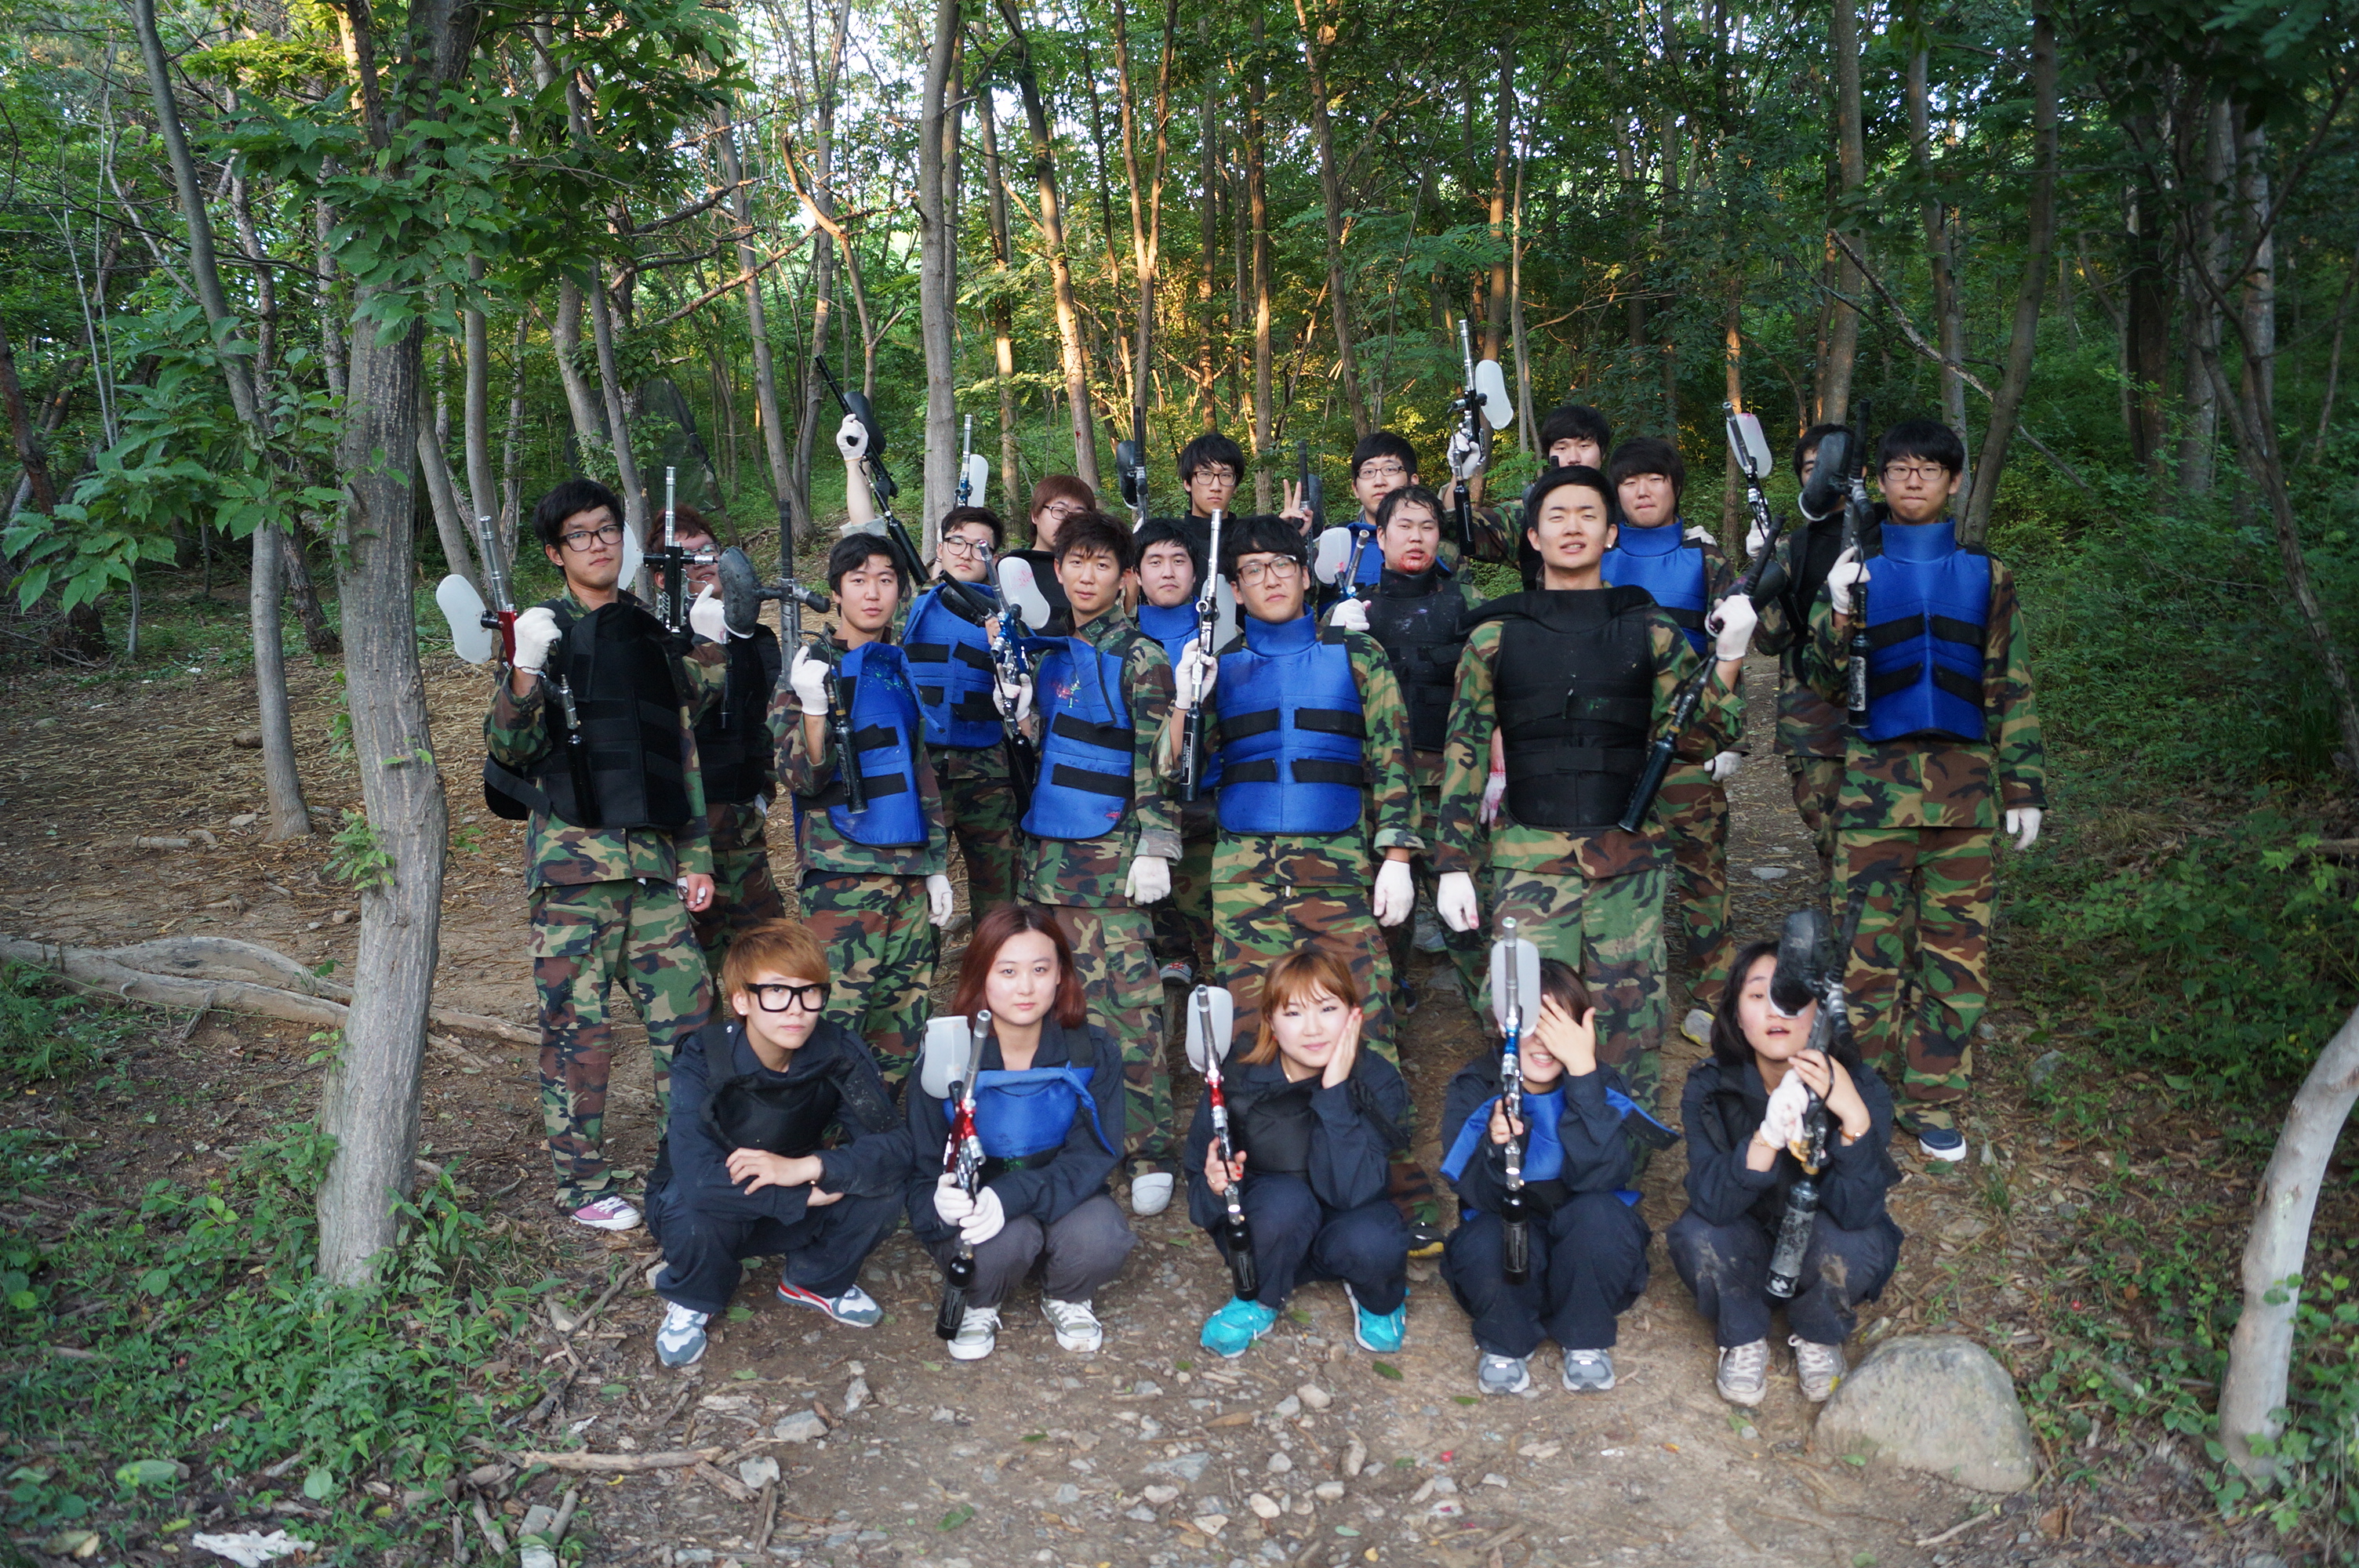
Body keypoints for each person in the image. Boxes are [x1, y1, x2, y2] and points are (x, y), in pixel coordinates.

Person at [1431, 465, 1754, 1133]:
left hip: (1626, 863)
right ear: (1533, 537)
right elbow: (1464, 753)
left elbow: (1704, 736)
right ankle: (1531, 1154)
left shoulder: (1649, 629)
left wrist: (1729, 655)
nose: (1572, 527)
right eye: (1557, 516)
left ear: (1611, 534)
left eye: (1588, 515)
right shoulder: (1495, 636)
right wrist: (1453, 863)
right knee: (1525, 1017)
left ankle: (1620, 1158)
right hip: (1527, 861)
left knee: (1629, 1023)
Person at [1161, 514, 1441, 1247]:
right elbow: (1174, 772)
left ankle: (1390, 1170)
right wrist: (1186, 703)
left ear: (1305, 572)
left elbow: (1394, 757)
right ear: (1235, 588)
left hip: (1337, 861)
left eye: (1282, 564)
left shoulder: (1357, 655)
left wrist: (1398, 856)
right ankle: (1265, 1168)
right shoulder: (1218, 664)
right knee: (1254, 1021)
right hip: (1244, 871)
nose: (1271, 578)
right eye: (1253, 569)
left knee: (1362, 1012)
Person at [483, 477, 724, 1232]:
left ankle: (691, 1164)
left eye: (607, 530)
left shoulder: (646, 629)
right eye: (580, 535)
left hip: (652, 869)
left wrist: (697, 854)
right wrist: (524, 669)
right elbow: (510, 748)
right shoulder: (540, 630)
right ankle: (582, 1185)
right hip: (572, 875)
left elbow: (677, 747)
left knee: (691, 1024)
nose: (598, 544)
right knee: (578, 1033)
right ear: (556, 553)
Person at [1808, 419, 2046, 1160]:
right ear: (1878, 481)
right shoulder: (1855, 568)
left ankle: (1933, 1099)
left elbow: (2010, 681)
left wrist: (2024, 787)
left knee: (1957, 957)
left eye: (1930, 469)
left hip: (1966, 797)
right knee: (1864, 958)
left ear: (1954, 481)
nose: (1914, 480)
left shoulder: (1988, 575)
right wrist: (1838, 609)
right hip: (1874, 796)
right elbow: (1821, 681)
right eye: (1900, 468)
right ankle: (1857, 1097)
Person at [1005, 510, 1183, 1215]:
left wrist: (1156, 845)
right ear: (1057, 570)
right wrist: (1019, 719)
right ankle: (1066, 1137)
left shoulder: (1141, 658)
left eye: (1103, 564)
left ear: (1124, 577)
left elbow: (1159, 763)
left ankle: (1148, 1149)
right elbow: (1045, 759)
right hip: (1046, 864)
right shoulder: (1048, 655)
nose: (1087, 576)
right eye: (1076, 562)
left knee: (1127, 1012)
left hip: (1112, 869)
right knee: (1052, 1011)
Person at [645, 918, 913, 1367]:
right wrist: (802, 1196)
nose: (796, 1010)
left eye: (809, 992)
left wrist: (811, 1168)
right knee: (691, 1209)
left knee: (883, 1187)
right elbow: (697, 1179)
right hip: (719, 1203)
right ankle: (694, 1297)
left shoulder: (837, 1052)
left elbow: (896, 1147)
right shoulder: (704, 1056)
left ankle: (816, 1280)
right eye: (776, 992)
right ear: (742, 1001)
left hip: (790, 1181)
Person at [1665, 938, 1903, 1406]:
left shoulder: (1861, 1086)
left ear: (1820, 1014)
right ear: (1736, 1015)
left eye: (1792, 998)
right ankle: (1743, 1334)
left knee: (1858, 1242)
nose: (1776, 1011)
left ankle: (1819, 1331)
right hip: (1746, 1247)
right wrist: (1767, 1137)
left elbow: (1859, 1212)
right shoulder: (1712, 1087)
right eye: (1758, 995)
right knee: (1696, 1233)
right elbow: (1712, 1202)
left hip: (1821, 1245)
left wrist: (1852, 1117)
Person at [908, 905, 1135, 1361]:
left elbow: (1094, 1154)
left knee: (1103, 1238)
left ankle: (1067, 1294)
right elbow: (921, 1161)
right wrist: (937, 1202)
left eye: (1040, 969)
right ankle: (980, 1302)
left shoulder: (1089, 1049)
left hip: (1062, 1190)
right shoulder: (946, 1054)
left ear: (1060, 975)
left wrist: (1014, 1195)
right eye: (1008, 971)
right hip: (980, 1204)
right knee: (1005, 1244)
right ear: (981, 977)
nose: (1026, 987)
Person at [773, 534, 956, 1088]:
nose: (872, 592)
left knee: (901, 1025)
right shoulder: (811, 668)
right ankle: (821, 1137)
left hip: (908, 873)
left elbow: (919, 773)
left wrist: (935, 865)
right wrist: (813, 707)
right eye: (858, 580)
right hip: (843, 875)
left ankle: (878, 1135)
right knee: (833, 1025)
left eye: (885, 579)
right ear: (836, 592)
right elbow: (799, 777)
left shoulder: (899, 666)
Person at [1438, 960, 1655, 1395]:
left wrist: (1584, 1081)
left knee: (1602, 1216)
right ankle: (1506, 1340)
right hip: (1512, 1250)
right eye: (1532, 1026)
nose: (1544, 1043)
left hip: (1585, 1256)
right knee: (1486, 1236)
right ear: (1503, 1026)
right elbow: (1474, 1193)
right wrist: (1499, 1147)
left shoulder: (1602, 1083)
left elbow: (1607, 1177)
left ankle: (1585, 1337)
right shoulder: (1476, 1086)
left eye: (1560, 1029)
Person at [1188, 948, 1412, 1358]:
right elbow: (1198, 1182)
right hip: (1272, 1228)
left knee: (1376, 1238)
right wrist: (1216, 1187)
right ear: (1271, 1023)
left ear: (1353, 1014)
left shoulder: (1377, 1079)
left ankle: (1378, 1298)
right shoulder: (1237, 1078)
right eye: (1293, 1013)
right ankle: (1258, 1298)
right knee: (1284, 1203)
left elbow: (1356, 1191)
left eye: (1327, 1009)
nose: (1313, 1029)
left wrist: (1335, 1090)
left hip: (1347, 1222)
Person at [1601, 437, 1742, 1045]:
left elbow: (1732, 647)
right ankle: (1621, 989)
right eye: (1630, 481)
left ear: (1675, 486)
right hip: (1611, 740)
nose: (1642, 491)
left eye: (1654, 479)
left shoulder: (1706, 560)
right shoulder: (1594, 552)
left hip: (1687, 737)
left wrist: (1729, 736)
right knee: (1614, 865)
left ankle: (1716, 989)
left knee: (1701, 867)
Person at [1337, 485, 1487, 1017]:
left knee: (1471, 923)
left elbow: (1495, 690)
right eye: (1404, 526)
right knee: (1381, 922)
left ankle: (1502, 1029)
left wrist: (1497, 766)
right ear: (1380, 536)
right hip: (1377, 791)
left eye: (1427, 526)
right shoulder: (1352, 609)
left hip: (1452, 789)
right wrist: (1331, 634)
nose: (1416, 537)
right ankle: (1384, 1020)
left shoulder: (1467, 603)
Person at [669, 506, 787, 972]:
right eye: (687, 558)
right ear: (663, 576)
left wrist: (763, 794)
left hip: (742, 825)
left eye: (709, 552)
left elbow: (767, 723)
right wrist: (704, 645)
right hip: (684, 832)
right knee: (695, 966)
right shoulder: (663, 641)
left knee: (769, 952)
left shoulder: (755, 638)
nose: (703, 564)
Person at [899, 504, 1021, 920]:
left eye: (980, 546)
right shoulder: (907, 606)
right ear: (940, 548)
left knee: (999, 890)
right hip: (921, 767)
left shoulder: (1009, 617)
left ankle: (998, 958)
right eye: (957, 542)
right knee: (919, 892)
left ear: (995, 559)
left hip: (987, 769)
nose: (967, 553)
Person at [1753, 424, 1856, 888]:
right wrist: (1764, 573)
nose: (1822, 477)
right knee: (1831, 839)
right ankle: (1840, 927)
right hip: (1812, 718)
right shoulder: (1793, 546)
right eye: (1811, 468)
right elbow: (1769, 640)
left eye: (1833, 467)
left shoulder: (1888, 537)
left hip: (1888, 713)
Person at [1133, 518, 1219, 989]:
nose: (1168, 572)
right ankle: (1172, 953)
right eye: (1155, 562)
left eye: (1179, 561)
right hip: (1142, 801)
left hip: (1207, 798)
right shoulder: (1124, 641)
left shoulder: (1223, 639)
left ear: (1195, 572)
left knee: (1206, 901)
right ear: (1136, 574)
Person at [1012, 475, 1096, 635]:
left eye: (1078, 515)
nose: (1068, 521)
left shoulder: (1094, 573)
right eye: (1060, 511)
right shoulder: (1012, 566)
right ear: (1035, 515)